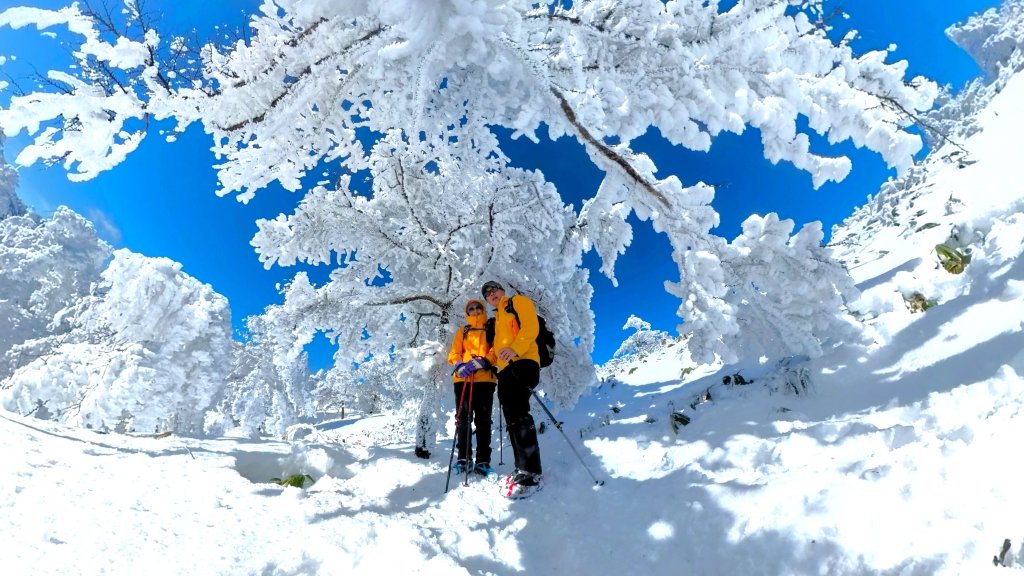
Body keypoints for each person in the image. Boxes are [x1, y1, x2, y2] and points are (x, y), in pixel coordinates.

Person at [481, 280, 543, 497]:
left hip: (524, 362)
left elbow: (531, 327)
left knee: (519, 412)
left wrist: (515, 349)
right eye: (487, 293)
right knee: (512, 417)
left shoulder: (517, 302)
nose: (491, 294)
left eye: (494, 289)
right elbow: (497, 350)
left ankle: (532, 472)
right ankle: (522, 467)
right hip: (506, 370)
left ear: (502, 291)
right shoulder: (496, 321)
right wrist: (485, 361)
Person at [447, 299, 498, 476]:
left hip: (485, 379)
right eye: (471, 308)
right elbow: (454, 352)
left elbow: (497, 350)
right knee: (463, 419)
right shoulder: (463, 330)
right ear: (467, 312)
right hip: (463, 379)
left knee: (483, 421)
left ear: (483, 310)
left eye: (478, 308)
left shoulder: (491, 328)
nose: (475, 310)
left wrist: (484, 361)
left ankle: (483, 461)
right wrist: (459, 364)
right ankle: (463, 458)